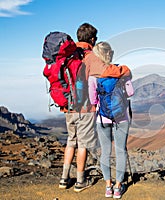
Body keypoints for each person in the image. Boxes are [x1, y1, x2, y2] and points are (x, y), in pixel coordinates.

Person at [89, 41, 134, 199]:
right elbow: (131, 92)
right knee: (121, 151)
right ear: (111, 54)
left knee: (105, 152)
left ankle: (108, 186)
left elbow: (93, 100)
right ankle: (118, 187)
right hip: (122, 117)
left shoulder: (94, 76)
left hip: (103, 118)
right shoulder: (122, 71)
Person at [58, 22, 99, 192]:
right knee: (83, 144)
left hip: (69, 107)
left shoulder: (69, 56)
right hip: (85, 109)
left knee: (71, 141)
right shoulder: (91, 57)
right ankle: (80, 181)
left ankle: (64, 179)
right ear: (92, 39)